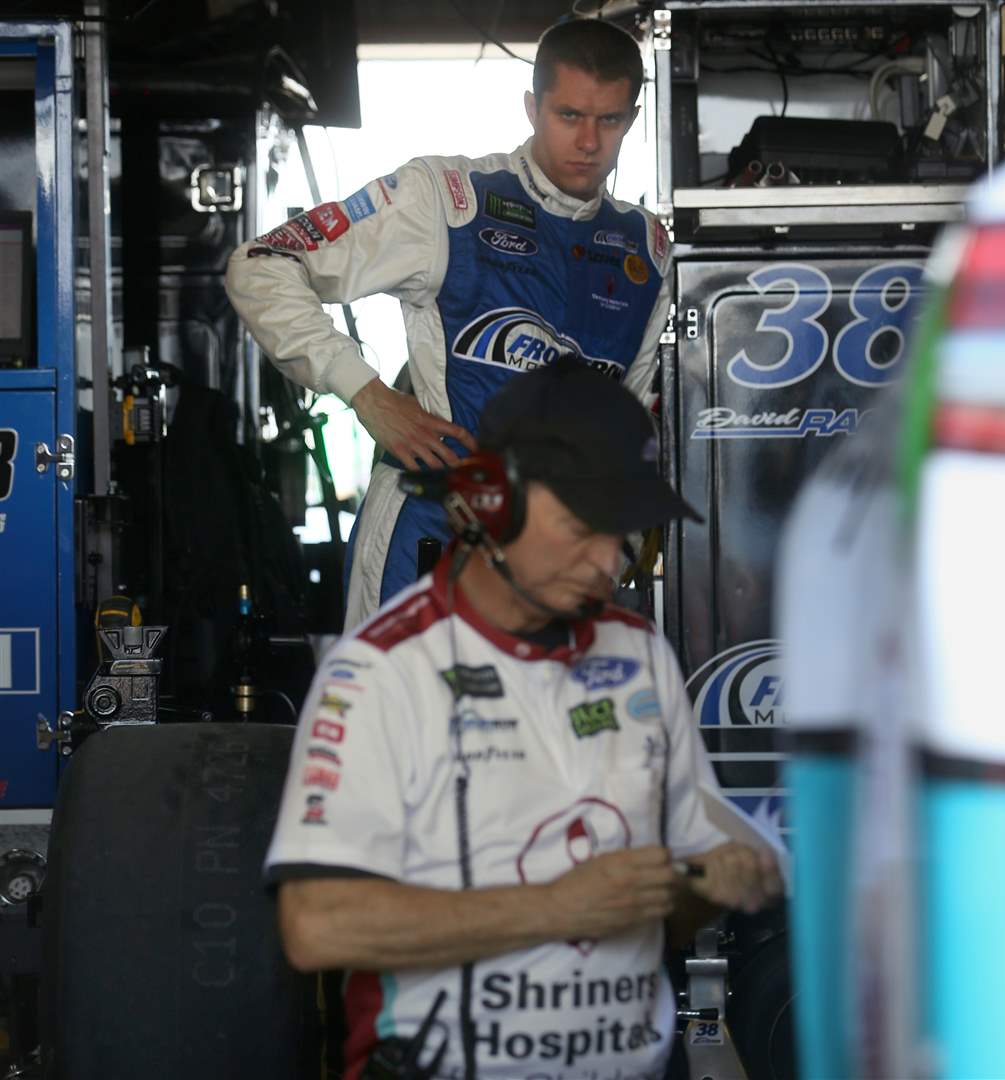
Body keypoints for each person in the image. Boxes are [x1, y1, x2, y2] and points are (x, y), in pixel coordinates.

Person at [263, 362, 783, 1080]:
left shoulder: (639, 654)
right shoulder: (380, 673)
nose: (607, 562)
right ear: (490, 506)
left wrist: (715, 881)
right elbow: (316, 926)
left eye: (624, 534)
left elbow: (674, 902)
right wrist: (557, 908)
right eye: (581, 529)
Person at [225, 18, 674, 629]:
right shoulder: (446, 198)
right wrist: (367, 394)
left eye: (610, 120)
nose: (589, 141)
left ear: (634, 118)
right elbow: (262, 265)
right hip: (426, 543)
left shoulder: (646, 248)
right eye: (569, 115)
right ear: (532, 108)